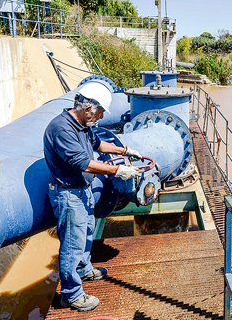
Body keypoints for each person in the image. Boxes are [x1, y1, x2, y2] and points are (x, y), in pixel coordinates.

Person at [43, 82, 142, 312]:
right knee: (72, 244)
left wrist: (125, 151)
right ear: (88, 108)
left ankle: (84, 270)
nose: (100, 117)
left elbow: (98, 144)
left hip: (82, 190)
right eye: (99, 113)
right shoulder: (61, 129)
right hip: (68, 194)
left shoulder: (82, 125)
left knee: (86, 233)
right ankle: (72, 294)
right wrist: (118, 170)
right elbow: (82, 163)